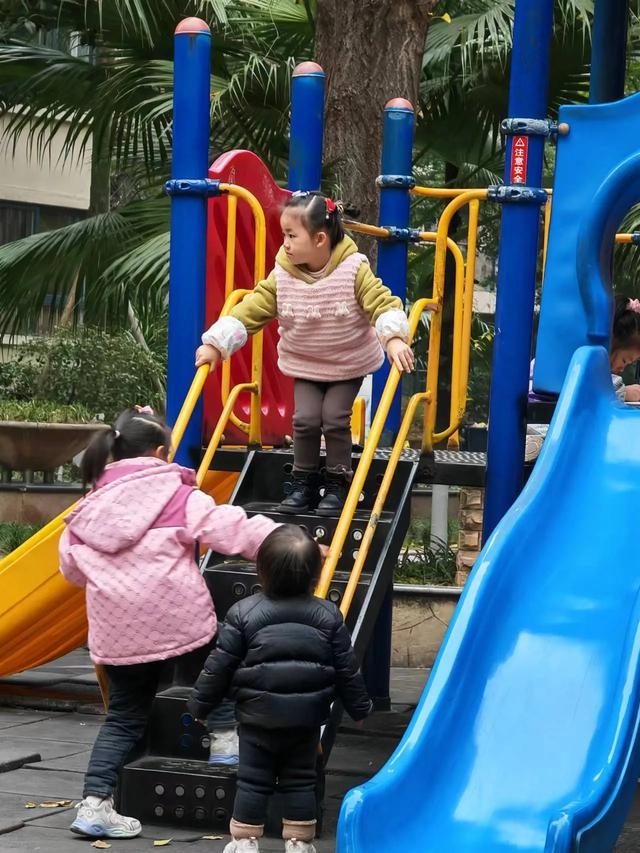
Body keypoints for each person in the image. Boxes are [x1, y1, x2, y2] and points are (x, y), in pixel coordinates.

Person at [59, 407, 278, 840]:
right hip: (178, 618)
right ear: (160, 453)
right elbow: (228, 528)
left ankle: (95, 804)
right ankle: (224, 739)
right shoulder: (176, 494)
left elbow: (71, 569)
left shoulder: (88, 509)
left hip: (119, 632)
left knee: (124, 718)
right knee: (217, 669)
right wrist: (279, 539)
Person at [195, 191, 415, 516]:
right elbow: (252, 308)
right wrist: (217, 343)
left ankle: (337, 483)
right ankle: (303, 482)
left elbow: (380, 302)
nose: (284, 243)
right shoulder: (283, 275)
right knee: (305, 420)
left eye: (291, 236)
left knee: (335, 418)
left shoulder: (353, 269)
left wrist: (394, 338)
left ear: (320, 239)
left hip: (347, 364)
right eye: (284, 235)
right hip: (307, 365)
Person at [187, 524, 372, 853]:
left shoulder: (243, 613)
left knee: (252, 780)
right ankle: (299, 842)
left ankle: (245, 841)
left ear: (261, 571)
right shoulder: (328, 616)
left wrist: (201, 706)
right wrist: (359, 708)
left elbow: (219, 666)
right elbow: (348, 669)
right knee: (300, 781)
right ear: (316, 575)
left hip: (257, 720)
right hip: (305, 722)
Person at [526, 294, 640, 460]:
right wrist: (627, 392)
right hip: (546, 429)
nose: (622, 369)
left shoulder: (558, 357)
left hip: (535, 420)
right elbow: (601, 392)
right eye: (624, 360)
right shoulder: (591, 371)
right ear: (611, 343)